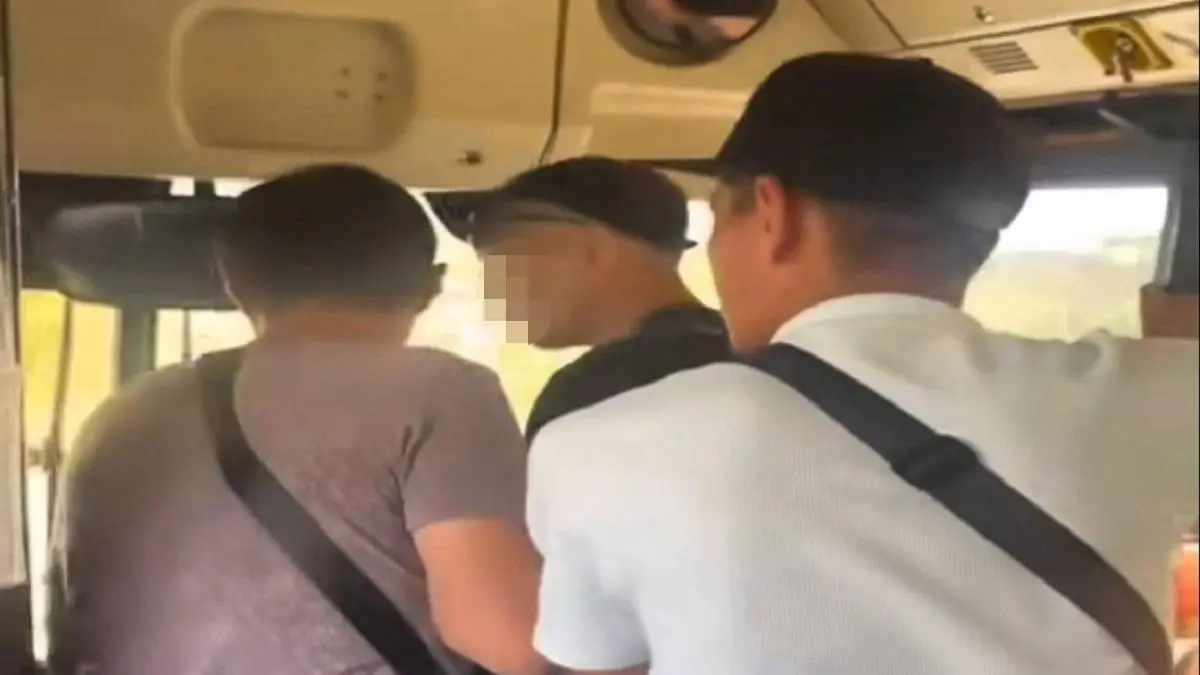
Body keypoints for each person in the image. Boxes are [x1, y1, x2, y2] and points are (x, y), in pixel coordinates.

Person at [524, 53, 1200, 674]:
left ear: (774, 214)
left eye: (720, 221)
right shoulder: (1153, 397)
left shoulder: (593, 449)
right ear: (978, 241)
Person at [47, 165, 548, 675]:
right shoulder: (443, 390)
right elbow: (504, 639)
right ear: (431, 286)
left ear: (233, 281)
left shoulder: (120, 413)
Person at [447, 156, 731, 442]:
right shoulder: (741, 356)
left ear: (596, 249)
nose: (492, 284)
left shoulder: (596, 392)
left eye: (505, 257)